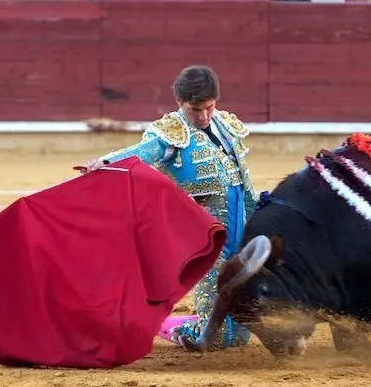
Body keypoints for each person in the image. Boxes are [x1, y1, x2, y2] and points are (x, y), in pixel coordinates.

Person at [82, 65, 256, 351]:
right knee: (216, 334)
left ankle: (184, 322)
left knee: (240, 333)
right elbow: (141, 154)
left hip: (242, 220)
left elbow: (240, 173)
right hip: (206, 231)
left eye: (209, 108)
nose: (203, 117)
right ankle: (168, 328)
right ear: (179, 103)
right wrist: (105, 162)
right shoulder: (171, 132)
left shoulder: (225, 124)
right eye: (194, 110)